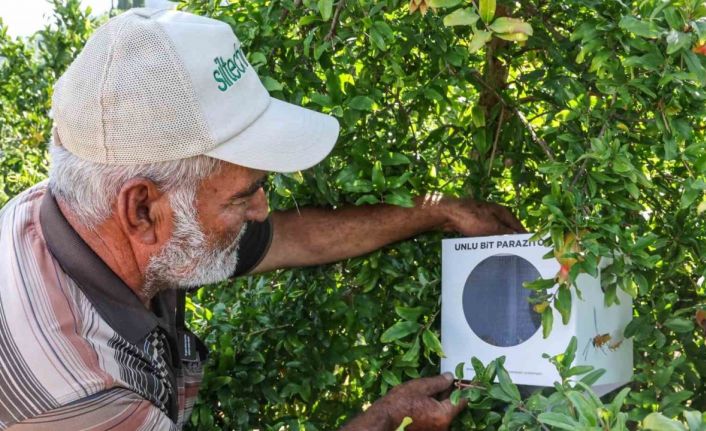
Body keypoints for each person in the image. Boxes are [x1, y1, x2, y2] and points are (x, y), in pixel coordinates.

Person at [0, 8, 524, 431]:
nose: (262, 209)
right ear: (141, 210)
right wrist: (384, 419)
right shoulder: (75, 395)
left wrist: (437, 212)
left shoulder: (81, 211)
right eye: (242, 196)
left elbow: (291, 239)